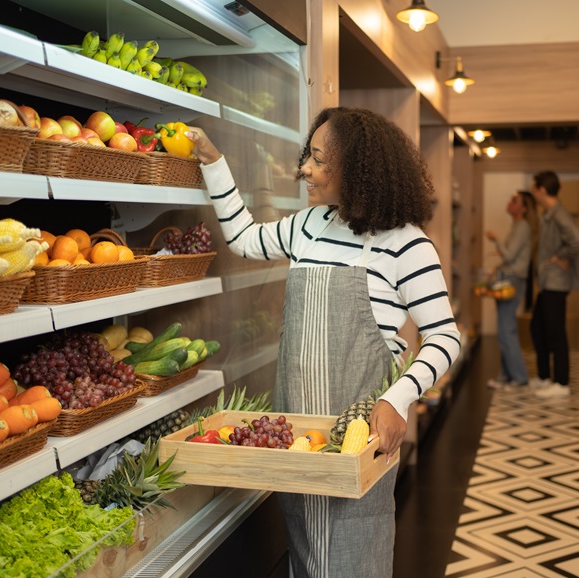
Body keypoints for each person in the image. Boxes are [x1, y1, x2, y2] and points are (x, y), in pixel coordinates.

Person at [186, 107, 461, 578]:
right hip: (300, 442)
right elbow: (244, 239)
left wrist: (398, 399)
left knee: (354, 552)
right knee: (304, 549)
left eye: (318, 159)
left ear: (356, 170)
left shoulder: (407, 245)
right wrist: (213, 160)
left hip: (359, 447)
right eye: (306, 156)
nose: (304, 170)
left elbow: (445, 336)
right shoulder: (309, 225)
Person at [529, 170, 579, 399]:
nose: (532, 192)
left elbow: (576, 241)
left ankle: (561, 382)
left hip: (556, 283)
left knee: (555, 332)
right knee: (538, 328)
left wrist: (560, 257)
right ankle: (544, 376)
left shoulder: (559, 214)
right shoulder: (549, 213)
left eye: (534, 187)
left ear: (542, 189)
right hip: (548, 283)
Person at [485, 191, 536, 389]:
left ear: (523, 208)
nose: (509, 203)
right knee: (505, 328)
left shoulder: (522, 227)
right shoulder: (519, 226)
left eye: (514, 201)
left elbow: (509, 256)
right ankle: (507, 375)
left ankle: (518, 376)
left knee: (507, 329)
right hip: (510, 278)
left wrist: (496, 239)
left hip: (513, 280)